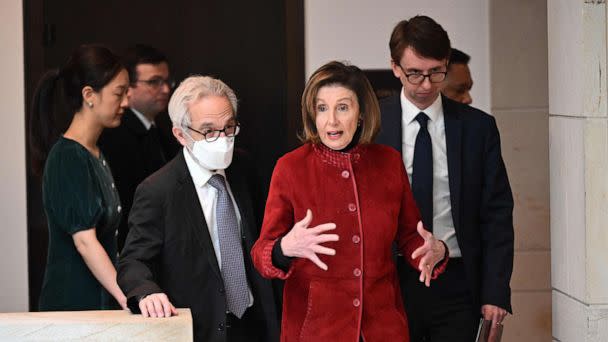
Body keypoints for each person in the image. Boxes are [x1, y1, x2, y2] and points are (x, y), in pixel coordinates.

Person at [251, 61, 448, 342]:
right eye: (322, 108)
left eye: (342, 107)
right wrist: (285, 247)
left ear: (361, 114)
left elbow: (411, 237)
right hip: (315, 331)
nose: (331, 120)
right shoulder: (290, 168)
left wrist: (435, 251)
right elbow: (261, 254)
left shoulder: (389, 162)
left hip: (383, 328)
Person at [376, 15, 514, 341]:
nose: (426, 85)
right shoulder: (371, 125)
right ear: (395, 67)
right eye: (414, 74)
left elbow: (496, 214)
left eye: (436, 72)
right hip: (391, 279)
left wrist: (496, 291)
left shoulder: (478, 128)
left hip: (457, 279)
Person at [117, 76, 280, 342]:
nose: (222, 139)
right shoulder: (158, 190)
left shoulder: (244, 168)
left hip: (254, 323)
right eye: (208, 131)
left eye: (228, 128)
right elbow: (133, 260)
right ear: (180, 134)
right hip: (201, 327)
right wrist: (146, 291)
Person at [29, 44, 129, 310]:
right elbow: (85, 241)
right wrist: (128, 296)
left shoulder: (95, 153)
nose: (126, 102)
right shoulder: (67, 156)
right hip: (74, 303)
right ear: (89, 95)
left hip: (97, 301)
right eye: (119, 93)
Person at [98, 44, 175, 252]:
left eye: (167, 81)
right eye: (154, 82)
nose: (166, 89)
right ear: (128, 88)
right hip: (134, 249)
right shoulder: (115, 136)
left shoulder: (162, 132)